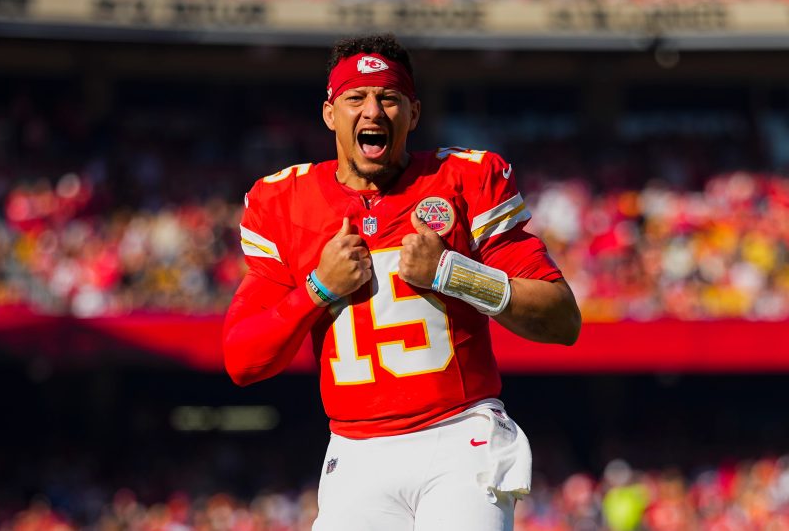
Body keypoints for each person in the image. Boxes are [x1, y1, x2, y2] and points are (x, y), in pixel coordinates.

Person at [223, 33, 581, 531]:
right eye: (356, 97)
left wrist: (454, 273)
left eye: (389, 98)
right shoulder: (283, 202)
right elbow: (242, 360)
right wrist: (318, 289)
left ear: (413, 113)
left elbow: (562, 319)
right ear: (329, 113)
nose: (373, 110)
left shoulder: (465, 179)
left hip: (460, 434)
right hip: (354, 448)